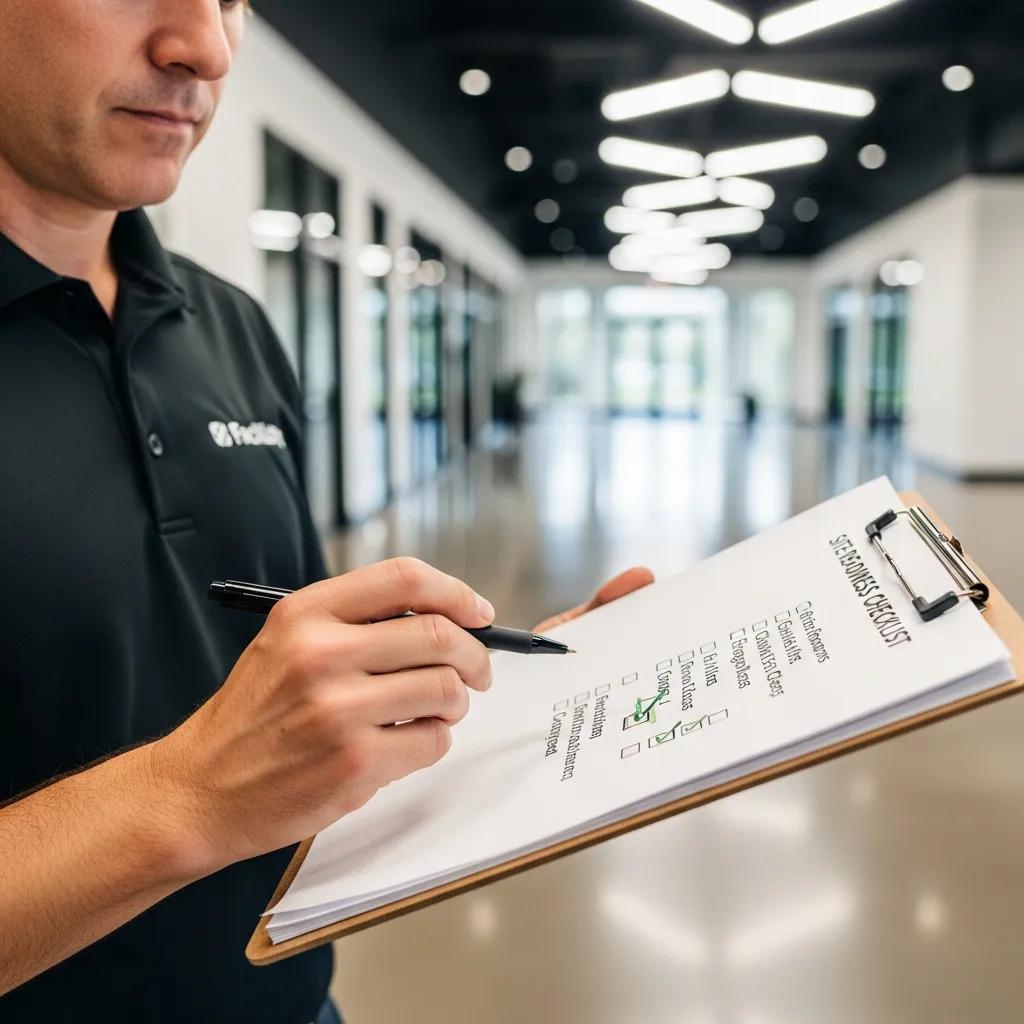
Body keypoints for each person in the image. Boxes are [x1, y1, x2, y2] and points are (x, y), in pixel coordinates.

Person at [0, 2, 654, 1021]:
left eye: (228, 0)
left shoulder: (232, 328)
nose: (204, 48)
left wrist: (504, 710)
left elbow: (283, 724)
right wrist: (192, 795)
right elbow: (229, 771)